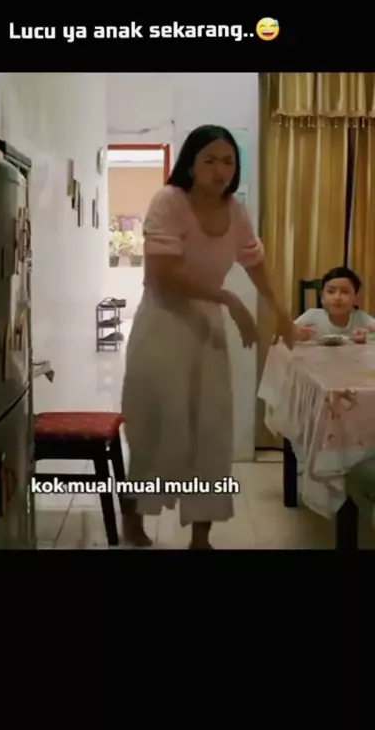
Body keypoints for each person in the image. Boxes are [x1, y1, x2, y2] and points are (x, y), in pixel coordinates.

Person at [121, 125, 295, 550]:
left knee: (211, 432)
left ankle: (202, 536)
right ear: (191, 164)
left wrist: (281, 312)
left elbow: (255, 262)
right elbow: (161, 273)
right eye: (210, 160)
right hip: (162, 327)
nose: (220, 170)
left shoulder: (236, 211)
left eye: (229, 161)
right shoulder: (169, 201)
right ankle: (133, 517)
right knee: (157, 428)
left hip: (207, 332)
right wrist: (228, 299)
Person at [295, 266, 375, 341]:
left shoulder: (362, 319)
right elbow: (289, 333)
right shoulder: (311, 316)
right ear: (322, 296)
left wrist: (368, 337)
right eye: (331, 291)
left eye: (345, 292)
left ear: (355, 297)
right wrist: (296, 334)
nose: (337, 297)